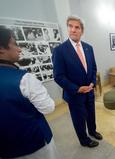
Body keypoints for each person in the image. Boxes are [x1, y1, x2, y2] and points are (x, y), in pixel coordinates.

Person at [0, 27, 60, 159]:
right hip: (35, 144)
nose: (19, 49)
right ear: (1, 49)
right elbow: (48, 107)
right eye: (14, 44)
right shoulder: (24, 79)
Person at [52, 15, 102, 148]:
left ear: (82, 31)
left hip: (89, 91)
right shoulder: (60, 50)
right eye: (70, 26)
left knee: (91, 114)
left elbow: (93, 67)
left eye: (77, 27)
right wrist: (77, 89)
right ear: (68, 28)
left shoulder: (88, 47)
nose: (73, 30)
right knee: (79, 119)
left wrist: (92, 83)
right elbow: (58, 76)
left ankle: (92, 131)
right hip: (75, 94)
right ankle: (84, 140)